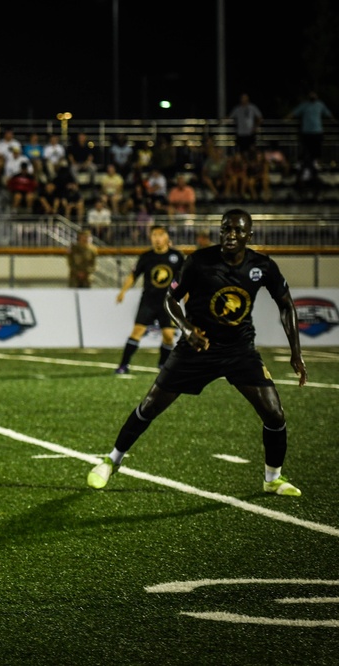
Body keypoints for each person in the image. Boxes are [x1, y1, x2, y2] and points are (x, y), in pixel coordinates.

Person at [88, 209, 307, 497]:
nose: (231, 235)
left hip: (239, 350)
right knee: (151, 404)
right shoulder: (199, 262)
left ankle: (272, 478)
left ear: (249, 235)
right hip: (197, 348)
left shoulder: (262, 266)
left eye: (238, 231)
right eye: (226, 229)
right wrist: (187, 329)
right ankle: (111, 460)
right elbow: (171, 299)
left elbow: (286, 304)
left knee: (274, 414)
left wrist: (296, 352)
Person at [114, 225, 185, 374]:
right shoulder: (146, 257)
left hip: (168, 302)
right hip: (149, 301)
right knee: (137, 331)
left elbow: (184, 280)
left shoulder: (177, 256)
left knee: (168, 336)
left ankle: (162, 365)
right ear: (151, 238)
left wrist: (187, 297)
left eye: (160, 235)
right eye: (154, 235)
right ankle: (123, 365)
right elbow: (133, 275)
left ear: (166, 237)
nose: (157, 238)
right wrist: (123, 292)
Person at [285, 90, 334, 167]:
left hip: (317, 131)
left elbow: (328, 113)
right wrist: (286, 119)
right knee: (305, 148)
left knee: (317, 148)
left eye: (314, 95)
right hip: (306, 131)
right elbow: (294, 112)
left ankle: (316, 162)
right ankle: (301, 162)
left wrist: (333, 120)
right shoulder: (304, 105)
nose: (313, 96)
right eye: (311, 95)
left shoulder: (320, 104)